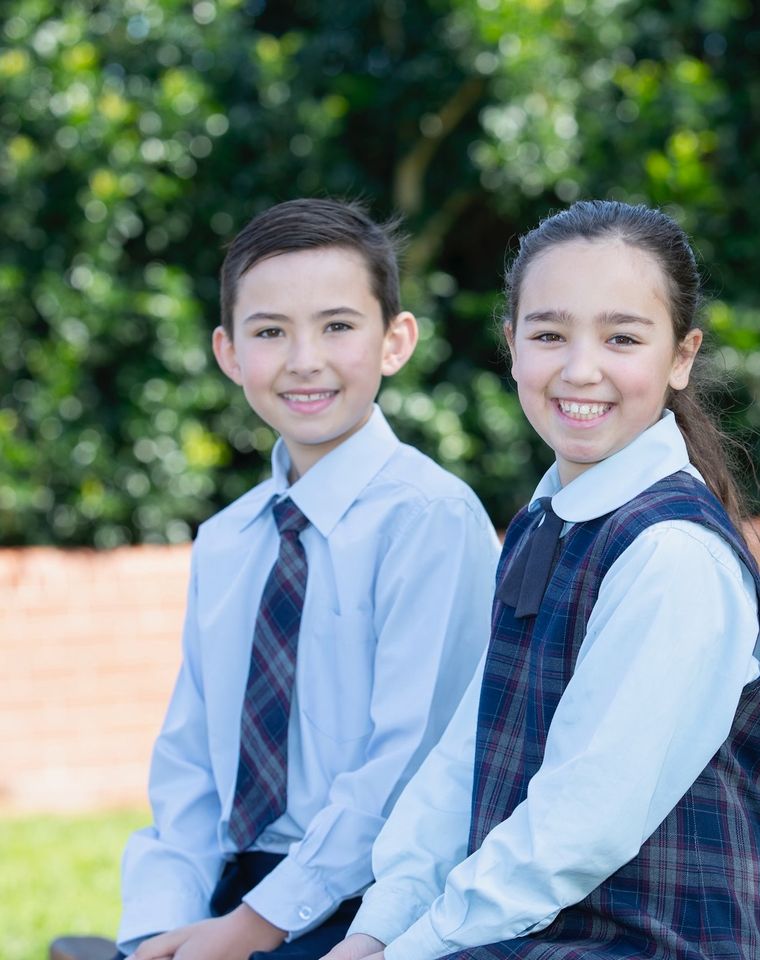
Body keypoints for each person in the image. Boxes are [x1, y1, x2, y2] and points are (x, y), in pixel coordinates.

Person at [325, 199, 760, 960]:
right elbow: (463, 761)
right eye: (549, 334)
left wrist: (411, 950)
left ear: (682, 356)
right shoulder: (545, 520)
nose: (579, 368)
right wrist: (375, 930)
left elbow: (577, 827)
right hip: (527, 930)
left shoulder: (672, 556)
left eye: (622, 337)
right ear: (513, 346)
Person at [116, 198, 501, 960]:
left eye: (337, 326)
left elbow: (407, 767)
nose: (303, 360)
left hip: (378, 899)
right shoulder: (227, 538)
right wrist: (159, 928)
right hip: (234, 887)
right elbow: (191, 761)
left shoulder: (430, 519)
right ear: (229, 353)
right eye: (269, 332)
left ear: (396, 341)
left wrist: (251, 929)